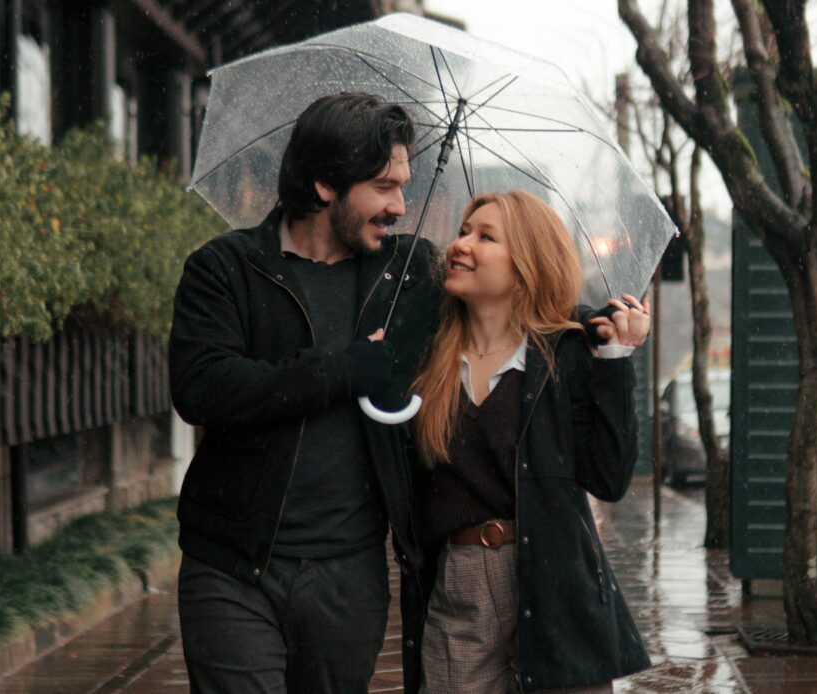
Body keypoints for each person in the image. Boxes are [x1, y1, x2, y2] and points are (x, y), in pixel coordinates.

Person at [168, 92, 444, 693]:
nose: (399, 205)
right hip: (234, 567)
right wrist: (346, 369)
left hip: (351, 575)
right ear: (324, 184)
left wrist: (595, 326)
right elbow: (203, 387)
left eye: (403, 184)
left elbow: (502, 311)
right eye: (381, 186)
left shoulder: (411, 274)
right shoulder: (225, 269)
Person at [408, 190, 653, 693]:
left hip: (555, 576)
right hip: (461, 584)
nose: (461, 245)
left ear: (527, 263)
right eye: (463, 231)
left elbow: (608, 478)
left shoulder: (568, 355)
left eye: (485, 236)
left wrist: (615, 362)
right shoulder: (426, 357)